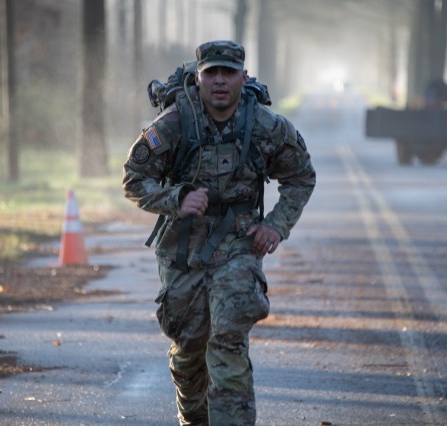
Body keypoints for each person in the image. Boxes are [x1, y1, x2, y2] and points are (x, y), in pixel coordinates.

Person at [122, 40, 315, 425]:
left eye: (229, 73)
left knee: (227, 340)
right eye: (212, 72)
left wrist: (275, 225)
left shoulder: (265, 126)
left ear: (244, 78)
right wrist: (176, 198)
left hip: (239, 246)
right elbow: (133, 179)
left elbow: (301, 177)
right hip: (183, 249)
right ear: (199, 77)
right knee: (190, 350)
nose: (221, 81)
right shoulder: (176, 123)